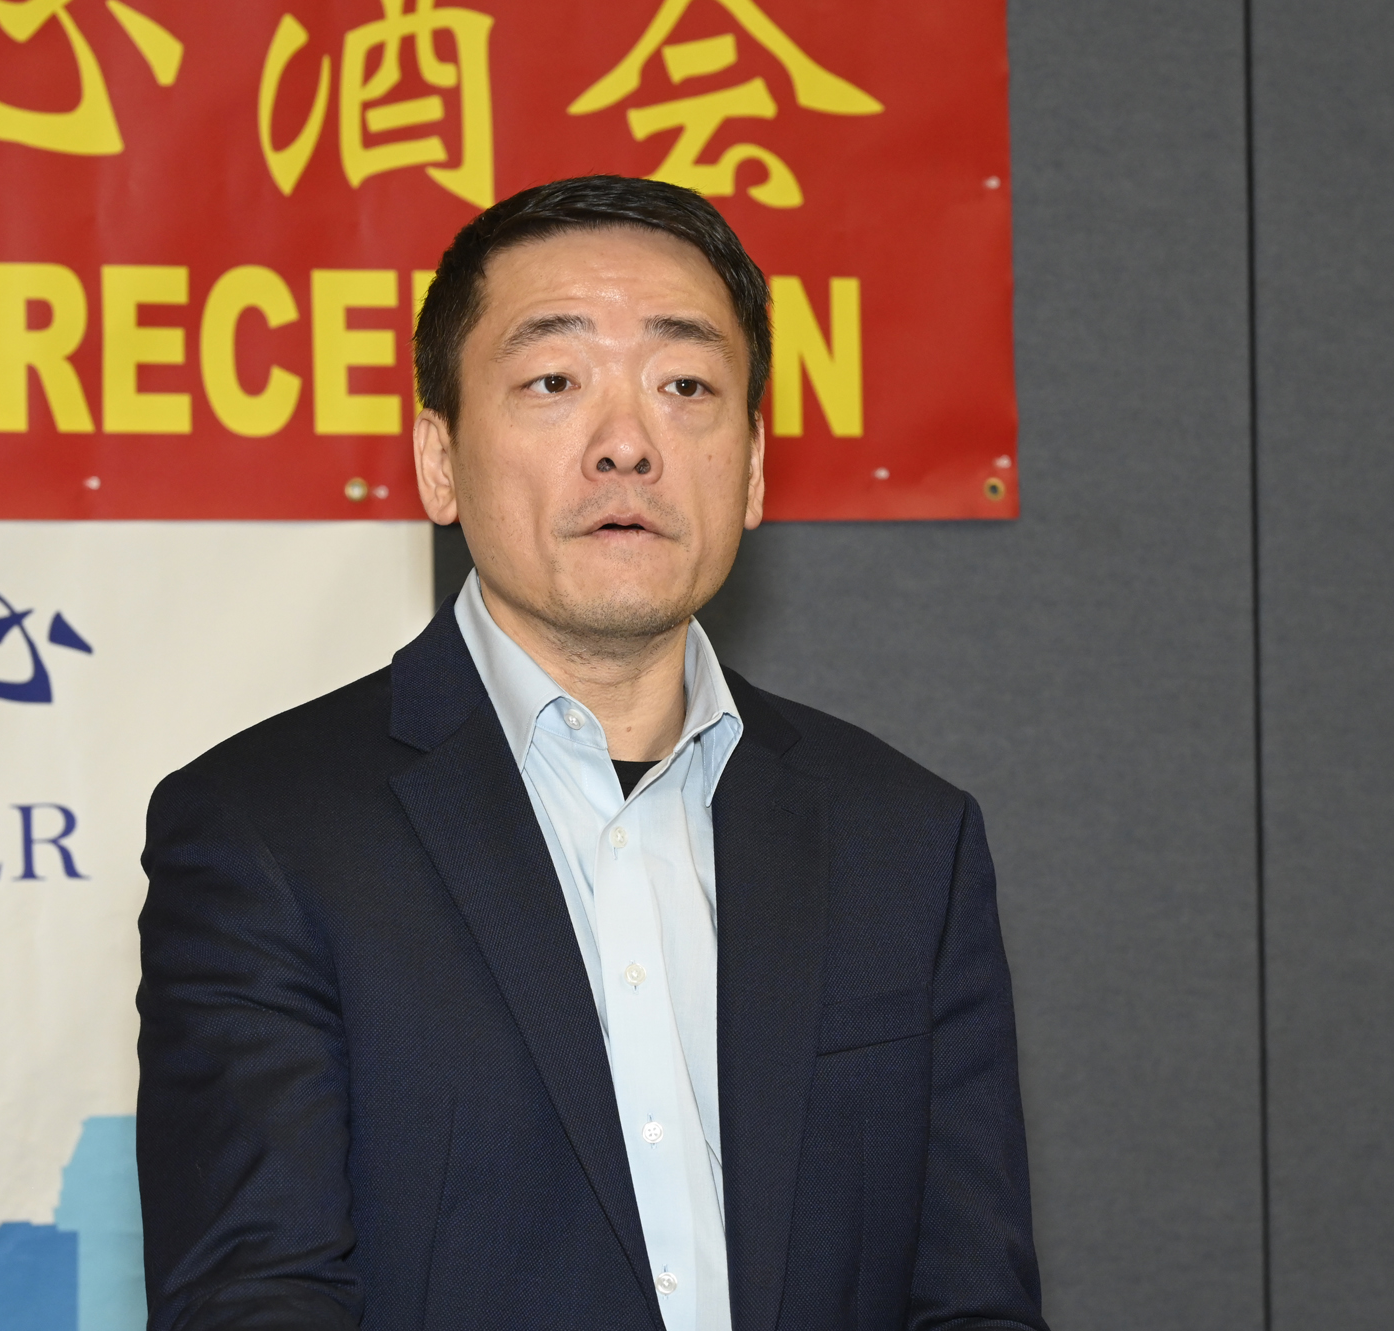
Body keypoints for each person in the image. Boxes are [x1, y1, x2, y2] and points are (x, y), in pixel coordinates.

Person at [137, 175, 1046, 1331]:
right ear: (438, 460)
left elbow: (970, 1301)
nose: (626, 445)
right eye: (554, 382)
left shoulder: (905, 839)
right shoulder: (267, 830)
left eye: (684, 386)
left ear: (752, 466)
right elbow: (257, 1295)